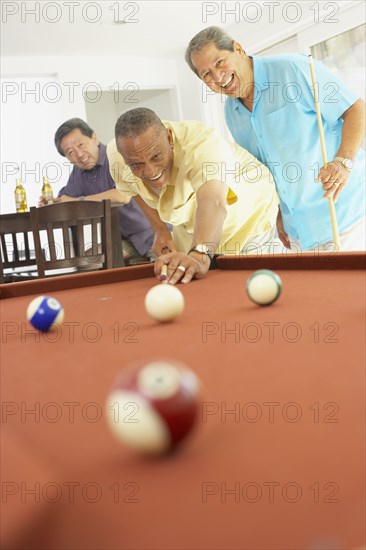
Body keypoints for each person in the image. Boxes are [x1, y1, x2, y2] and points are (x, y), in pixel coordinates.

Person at [185, 26, 366, 252]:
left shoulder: (293, 69)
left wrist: (343, 162)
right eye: (206, 74)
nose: (217, 76)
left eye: (219, 62)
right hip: (298, 232)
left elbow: (356, 109)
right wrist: (278, 215)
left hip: (349, 215)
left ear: (238, 49)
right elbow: (261, 169)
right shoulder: (231, 112)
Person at [107, 107, 279, 285]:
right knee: (192, 276)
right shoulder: (118, 157)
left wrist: (200, 254)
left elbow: (213, 202)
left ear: (169, 138)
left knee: (245, 283)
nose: (150, 171)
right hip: (192, 217)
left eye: (156, 156)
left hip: (248, 210)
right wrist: (161, 230)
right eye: (136, 164)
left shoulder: (203, 145)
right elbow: (134, 191)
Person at [51, 118, 155, 261]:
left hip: (151, 233)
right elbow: (65, 198)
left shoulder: (116, 156)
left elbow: (122, 196)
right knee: (90, 259)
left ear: (94, 137)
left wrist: (78, 200)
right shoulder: (79, 172)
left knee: (165, 268)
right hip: (121, 241)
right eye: (70, 152)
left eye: (81, 145)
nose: (79, 154)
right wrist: (52, 201)